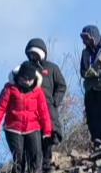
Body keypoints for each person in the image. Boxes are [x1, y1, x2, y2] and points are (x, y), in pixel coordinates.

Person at [0, 62, 53, 173]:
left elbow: (43, 111)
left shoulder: (37, 91)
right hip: (13, 128)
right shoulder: (9, 89)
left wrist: (47, 130)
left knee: (36, 154)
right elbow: (0, 108)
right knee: (18, 157)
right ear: (18, 77)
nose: (26, 81)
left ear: (34, 79)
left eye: (29, 79)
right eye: (24, 78)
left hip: (33, 127)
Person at [26, 38, 69, 166]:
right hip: (31, 110)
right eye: (30, 53)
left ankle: (46, 162)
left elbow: (61, 86)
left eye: (35, 53)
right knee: (33, 138)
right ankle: (34, 167)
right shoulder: (27, 68)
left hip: (48, 107)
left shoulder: (52, 68)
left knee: (48, 135)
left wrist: (55, 101)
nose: (32, 56)